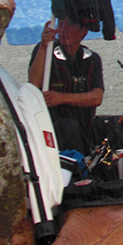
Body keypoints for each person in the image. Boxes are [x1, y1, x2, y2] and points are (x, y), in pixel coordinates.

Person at [28, 12, 104, 155]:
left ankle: (109, 169)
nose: (62, 30)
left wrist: (61, 98)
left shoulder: (92, 59)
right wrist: (44, 46)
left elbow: (97, 97)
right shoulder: (46, 50)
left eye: (69, 25)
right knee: (69, 127)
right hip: (54, 126)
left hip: (85, 124)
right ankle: (78, 170)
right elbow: (33, 83)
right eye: (60, 24)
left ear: (83, 31)